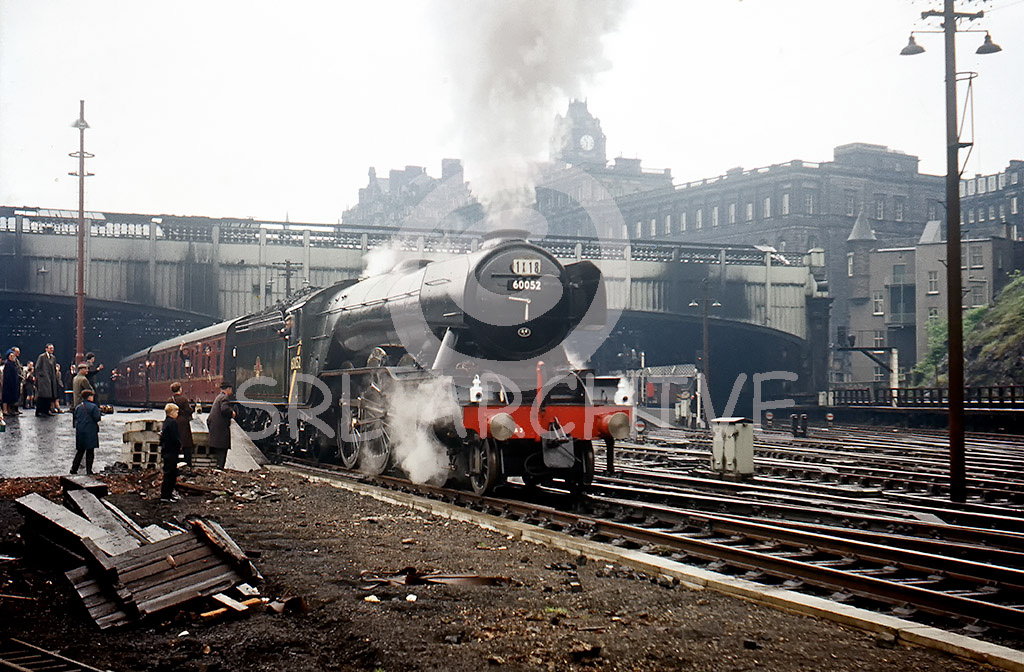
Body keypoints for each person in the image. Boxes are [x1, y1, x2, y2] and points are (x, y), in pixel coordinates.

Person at [71, 389, 102, 475]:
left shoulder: (78, 407)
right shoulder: (93, 407)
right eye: (92, 396)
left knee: (80, 452)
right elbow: (97, 418)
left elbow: (75, 419)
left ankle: (74, 469)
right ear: (89, 397)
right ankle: (89, 470)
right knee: (90, 452)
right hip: (90, 431)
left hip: (80, 431)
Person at [207, 382, 235, 469]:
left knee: (219, 450)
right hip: (221, 429)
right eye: (231, 389)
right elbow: (224, 409)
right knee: (222, 450)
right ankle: (220, 467)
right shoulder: (224, 398)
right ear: (228, 389)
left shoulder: (218, 397)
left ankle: (219, 466)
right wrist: (232, 413)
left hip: (216, 428)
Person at [159, 403, 182, 502]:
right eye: (176, 411)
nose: (177, 413)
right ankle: (166, 496)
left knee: (169, 473)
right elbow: (175, 438)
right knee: (170, 474)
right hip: (171, 452)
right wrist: (180, 445)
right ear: (172, 412)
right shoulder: (172, 423)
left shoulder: (166, 422)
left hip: (167, 451)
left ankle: (168, 494)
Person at [169, 381, 195, 467]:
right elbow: (189, 410)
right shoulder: (183, 400)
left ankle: (174, 463)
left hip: (173, 423)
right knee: (186, 445)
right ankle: (188, 464)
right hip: (183, 424)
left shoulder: (170, 400)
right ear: (180, 389)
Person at [34, 344, 60, 416]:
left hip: (51, 379)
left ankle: (46, 410)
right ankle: (39, 411)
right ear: (46, 349)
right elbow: (37, 367)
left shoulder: (53, 358)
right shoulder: (42, 357)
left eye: (52, 348)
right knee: (42, 396)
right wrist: (42, 375)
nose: (52, 350)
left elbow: (54, 368)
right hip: (44, 380)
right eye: (50, 348)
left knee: (49, 396)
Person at [2, 349, 21, 416]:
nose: (13, 357)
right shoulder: (8, 364)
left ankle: (10, 410)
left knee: (11, 397)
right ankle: (5, 410)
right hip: (8, 383)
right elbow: (7, 375)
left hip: (13, 383)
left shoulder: (13, 364)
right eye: (11, 356)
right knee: (6, 398)